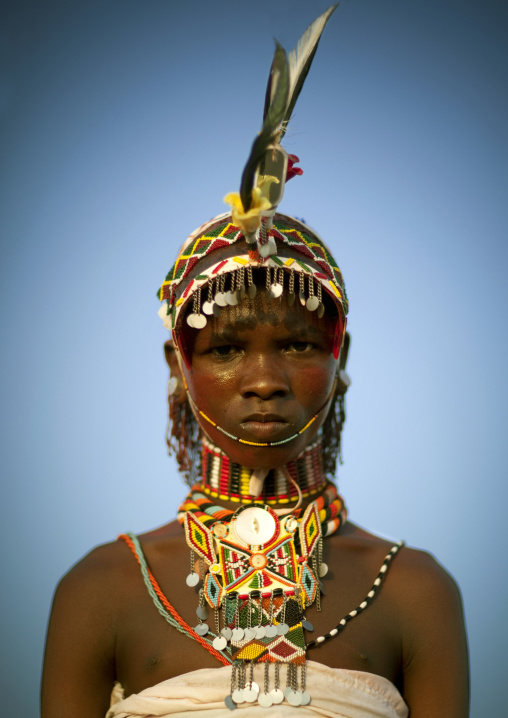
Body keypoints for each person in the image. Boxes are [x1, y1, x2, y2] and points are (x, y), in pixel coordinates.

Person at [41, 7, 469, 718]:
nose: (264, 380)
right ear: (177, 366)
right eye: (225, 349)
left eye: (299, 344)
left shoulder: (414, 591)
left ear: (343, 359)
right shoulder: (103, 588)